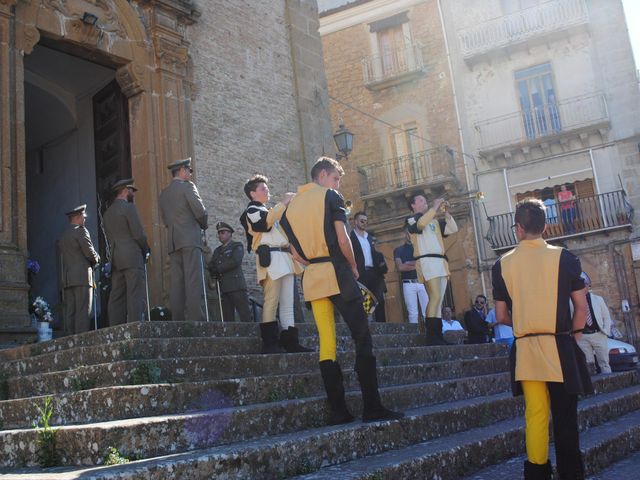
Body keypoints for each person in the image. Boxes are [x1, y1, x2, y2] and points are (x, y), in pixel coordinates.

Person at [280, 157, 403, 425]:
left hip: (312, 277)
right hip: (337, 271)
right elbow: (342, 236)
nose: (338, 184)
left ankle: (339, 411)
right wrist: (353, 266)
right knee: (362, 336)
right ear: (323, 175)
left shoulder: (288, 209)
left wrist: (314, 260)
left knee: (327, 343)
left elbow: (296, 255)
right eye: (336, 178)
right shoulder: (331, 196)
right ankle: (372, 407)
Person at [492, 198, 592, 480]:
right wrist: (574, 336)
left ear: (518, 228)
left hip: (526, 348)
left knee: (535, 415)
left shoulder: (502, 264)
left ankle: (537, 475)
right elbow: (582, 308)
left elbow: (500, 316)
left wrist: (524, 321)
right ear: (545, 226)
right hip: (560, 344)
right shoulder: (566, 258)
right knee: (565, 418)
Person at [240, 174, 311, 353]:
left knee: (287, 303)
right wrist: (284, 204)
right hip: (270, 258)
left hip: (284, 257)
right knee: (271, 301)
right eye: (263, 188)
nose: (267, 190)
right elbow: (263, 225)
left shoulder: (270, 210)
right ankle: (270, 342)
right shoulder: (252, 211)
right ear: (252, 194)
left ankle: (290, 342)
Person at [159, 158, 208, 322]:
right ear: (181, 170)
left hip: (174, 241)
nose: (190, 173)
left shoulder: (164, 194)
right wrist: (204, 225)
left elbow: (165, 220)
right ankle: (196, 321)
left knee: (176, 285)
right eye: (189, 170)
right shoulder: (188, 187)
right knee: (193, 280)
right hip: (190, 239)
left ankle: (178, 322)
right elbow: (200, 212)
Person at [406, 193, 458, 345]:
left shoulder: (434, 220)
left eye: (425, 200)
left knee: (439, 299)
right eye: (420, 200)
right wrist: (435, 207)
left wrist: (446, 212)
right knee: (434, 296)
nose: (424, 201)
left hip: (440, 262)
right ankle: (431, 335)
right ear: (413, 205)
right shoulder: (411, 219)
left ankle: (437, 334)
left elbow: (453, 229)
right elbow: (420, 225)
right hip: (427, 260)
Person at [103, 178, 150, 325]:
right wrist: (146, 249)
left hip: (116, 258)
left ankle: (115, 328)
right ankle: (135, 326)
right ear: (124, 191)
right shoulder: (129, 208)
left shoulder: (107, 213)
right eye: (131, 190)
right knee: (135, 292)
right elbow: (138, 234)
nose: (133, 194)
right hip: (132, 256)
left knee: (117, 295)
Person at [58, 204, 101, 334]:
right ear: (77, 217)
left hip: (68, 278)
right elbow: (89, 253)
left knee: (71, 311)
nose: (85, 219)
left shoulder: (63, 236)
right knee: (83, 311)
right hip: (82, 277)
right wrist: (98, 259)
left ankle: (70, 339)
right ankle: (81, 340)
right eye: (83, 217)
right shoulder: (81, 231)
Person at [208, 222, 251, 322]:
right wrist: (212, 269)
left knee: (245, 315)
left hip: (236, 286)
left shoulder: (237, 246)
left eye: (222, 232)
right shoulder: (217, 251)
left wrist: (217, 269)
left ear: (230, 233)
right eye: (219, 233)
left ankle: (250, 335)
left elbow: (235, 261)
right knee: (228, 318)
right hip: (223, 288)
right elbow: (211, 264)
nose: (220, 235)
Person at [571, 272, 613, 374]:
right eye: (581, 285)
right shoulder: (572, 301)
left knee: (604, 363)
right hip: (582, 337)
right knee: (588, 365)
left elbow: (606, 316)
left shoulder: (598, 299)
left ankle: (609, 384)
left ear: (588, 286)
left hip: (598, 334)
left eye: (585, 285)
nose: (583, 287)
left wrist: (606, 331)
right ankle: (593, 388)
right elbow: (570, 317)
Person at [350, 212, 388, 322]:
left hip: (375, 273)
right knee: (363, 302)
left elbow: (376, 254)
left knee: (380, 300)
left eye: (366, 221)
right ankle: (364, 328)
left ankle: (382, 326)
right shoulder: (350, 238)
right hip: (360, 273)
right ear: (355, 222)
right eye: (362, 220)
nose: (364, 223)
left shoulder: (370, 238)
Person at [394, 229, 428, 325]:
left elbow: (424, 265)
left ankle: (431, 335)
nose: (410, 234)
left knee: (428, 312)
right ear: (405, 233)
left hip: (422, 282)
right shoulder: (398, 250)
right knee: (413, 314)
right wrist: (416, 265)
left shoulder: (420, 248)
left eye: (412, 232)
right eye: (408, 232)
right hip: (408, 284)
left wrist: (408, 263)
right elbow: (400, 267)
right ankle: (416, 337)